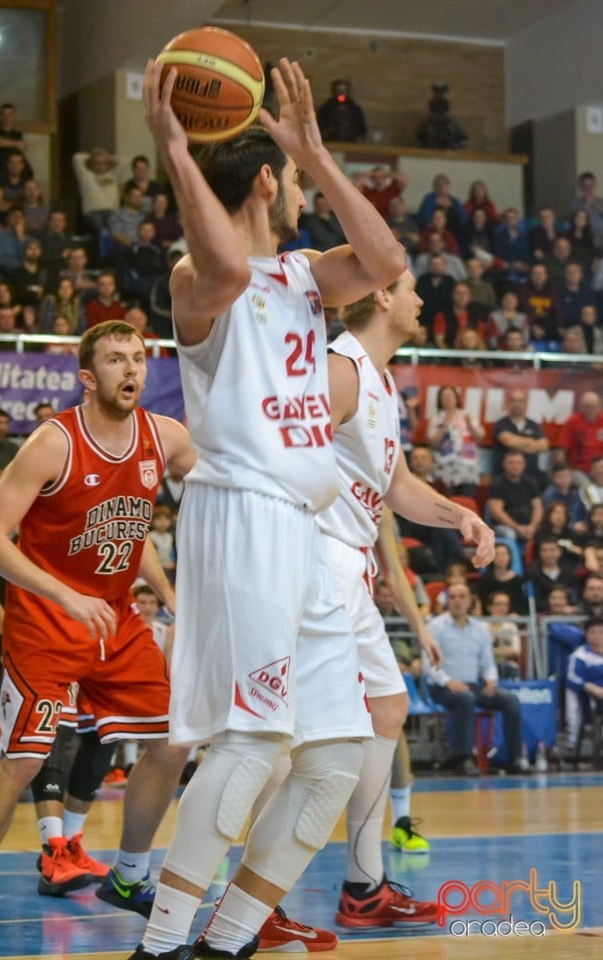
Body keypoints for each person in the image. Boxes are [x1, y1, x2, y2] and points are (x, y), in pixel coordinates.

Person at [132, 55, 405, 960]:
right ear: (257, 181)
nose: (295, 189)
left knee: (333, 757)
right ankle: (163, 944)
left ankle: (230, 937)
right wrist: (175, 149)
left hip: (310, 530)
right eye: (286, 176)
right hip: (242, 513)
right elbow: (220, 259)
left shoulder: (300, 274)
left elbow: (387, 262)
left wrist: (317, 155)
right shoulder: (194, 280)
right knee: (253, 742)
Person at [0, 319, 197, 951]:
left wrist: (171, 593)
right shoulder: (52, 442)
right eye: (117, 360)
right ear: (89, 378)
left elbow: (130, 524)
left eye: (140, 359)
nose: (132, 369)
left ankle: (128, 874)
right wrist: (64, 593)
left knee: (174, 743)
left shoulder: (165, 437)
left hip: (116, 618)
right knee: (24, 760)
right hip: (47, 617)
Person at [317, 278, 493, 927]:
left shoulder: (382, 380)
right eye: (413, 288)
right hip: (319, 563)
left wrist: (459, 516)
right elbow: (282, 461)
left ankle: (363, 887)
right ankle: (238, 895)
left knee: (387, 708)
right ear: (382, 296)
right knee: (295, 743)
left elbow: (396, 484)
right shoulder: (339, 370)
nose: (424, 301)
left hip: (352, 566)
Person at [425, 582, 527, 776]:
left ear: (470, 601)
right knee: (466, 698)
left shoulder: (480, 629)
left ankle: (516, 758)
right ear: (447, 600)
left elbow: (487, 662)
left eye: (462, 596)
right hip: (442, 688)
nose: (457, 601)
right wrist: (447, 682)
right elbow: (428, 664)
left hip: (472, 685)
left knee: (510, 700)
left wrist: (490, 679)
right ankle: (464, 758)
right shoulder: (435, 627)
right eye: (453, 597)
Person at [427, 385, 484, 496]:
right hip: (445, 469)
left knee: (466, 503)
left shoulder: (468, 415)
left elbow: (479, 438)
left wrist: (470, 425)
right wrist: (444, 427)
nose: (448, 398)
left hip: (468, 469)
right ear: (440, 400)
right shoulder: (437, 418)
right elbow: (433, 443)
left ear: (457, 398)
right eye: (444, 396)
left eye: (450, 395)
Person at [492, 388, 549, 486]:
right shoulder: (501, 424)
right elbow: (509, 442)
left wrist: (518, 443)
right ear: (508, 404)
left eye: (520, 401)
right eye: (513, 401)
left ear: (526, 404)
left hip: (531, 476)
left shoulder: (534, 425)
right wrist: (532, 442)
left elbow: (544, 446)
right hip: (505, 478)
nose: (517, 404)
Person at [487, 450, 543, 546]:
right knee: (509, 534)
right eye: (511, 463)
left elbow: (538, 508)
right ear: (504, 464)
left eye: (518, 463)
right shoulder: (497, 484)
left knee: (546, 534)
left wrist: (533, 526)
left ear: (524, 465)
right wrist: (517, 527)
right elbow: (497, 512)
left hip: (528, 526)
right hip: (504, 526)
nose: (515, 466)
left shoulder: (531, 483)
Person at [565, 618, 603, 754]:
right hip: (592, 699)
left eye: (600, 632)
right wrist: (591, 687)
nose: (597, 636)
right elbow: (572, 678)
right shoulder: (579, 656)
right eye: (593, 632)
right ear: (586, 635)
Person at [556, 391, 603, 480]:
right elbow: (562, 449)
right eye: (587, 407)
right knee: (587, 488)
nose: (590, 410)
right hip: (578, 470)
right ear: (581, 407)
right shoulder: (573, 421)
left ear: (599, 407)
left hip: (600, 469)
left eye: (593, 407)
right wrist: (561, 470)